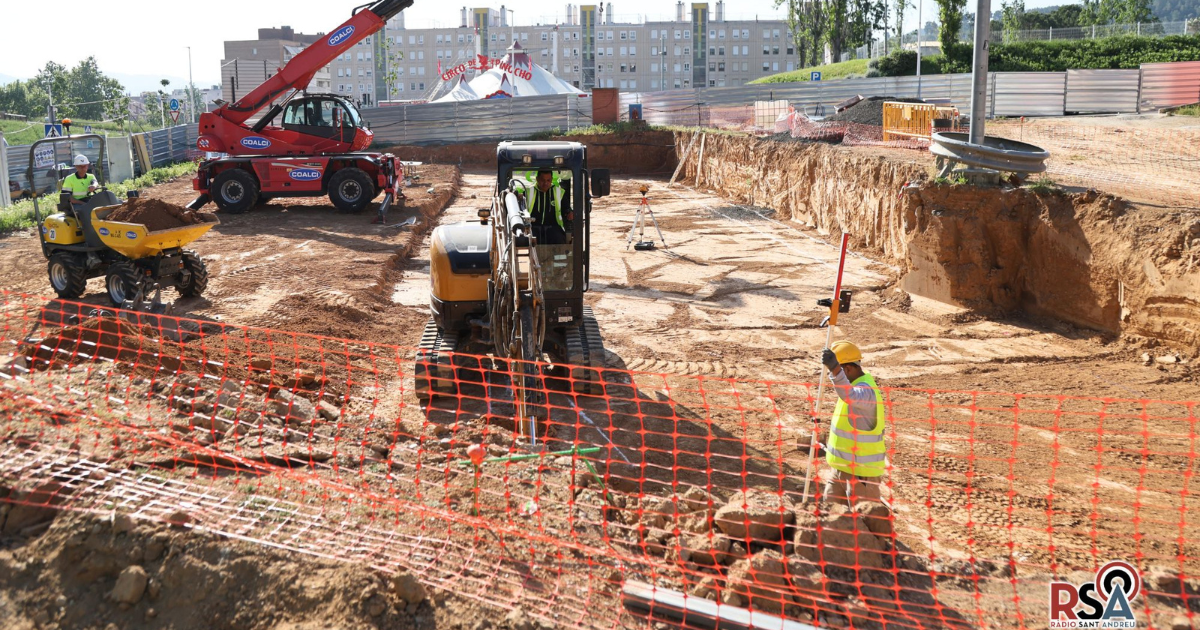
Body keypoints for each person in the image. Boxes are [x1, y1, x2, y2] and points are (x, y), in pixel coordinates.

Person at [820, 341, 887, 506]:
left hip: (861, 475)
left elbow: (850, 395)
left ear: (848, 369)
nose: (835, 377)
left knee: (863, 525)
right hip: (840, 471)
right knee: (830, 517)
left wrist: (835, 369)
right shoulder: (853, 385)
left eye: (840, 371)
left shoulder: (866, 391)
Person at [528, 169, 573, 246]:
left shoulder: (559, 192)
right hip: (532, 227)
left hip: (553, 227)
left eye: (548, 180)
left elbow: (566, 208)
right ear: (537, 179)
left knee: (559, 238)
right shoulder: (528, 192)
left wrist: (569, 212)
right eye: (542, 180)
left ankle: (560, 258)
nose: (545, 183)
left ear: (551, 179)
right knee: (529, 239)